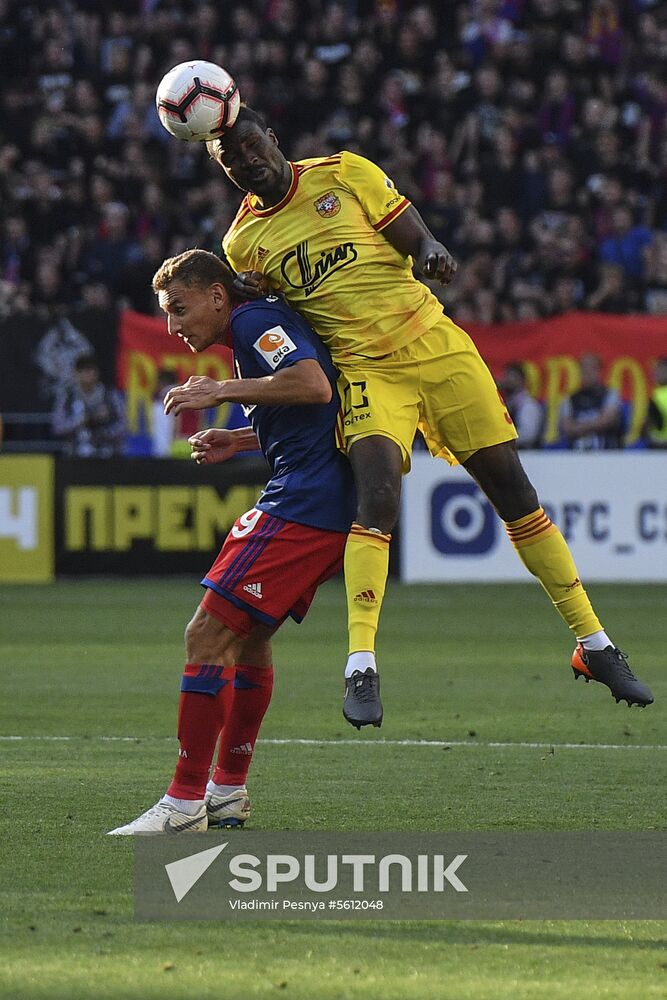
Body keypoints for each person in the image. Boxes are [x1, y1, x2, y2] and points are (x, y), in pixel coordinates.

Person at [199, 105, 652, 712]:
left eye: (253, 145)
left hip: (435, 345)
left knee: (514, 493)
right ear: (225, 171)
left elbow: (415, 233)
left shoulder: (343, 173)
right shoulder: (243, 244)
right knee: (377, 496)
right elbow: (289, 333)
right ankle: (361, 663)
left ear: (272, 139)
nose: (248, 161)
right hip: (367, 372)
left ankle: (593, 645)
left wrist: (432, 252)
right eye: (233, 160)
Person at [107, 248, 357, 834]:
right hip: (322, 495)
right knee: (248, 641)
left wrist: (220, 391)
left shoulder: (251, 323)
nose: (172, 325)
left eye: (179, 309)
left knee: (205, 633)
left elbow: (312, 384)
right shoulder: (257, 322)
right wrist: (240, 441)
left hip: (306, 501)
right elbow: (315, 416)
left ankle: (183, 802)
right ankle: (226, 791)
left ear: (217, 296)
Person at [52, 354, 126, 458]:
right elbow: (58, 427)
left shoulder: (110, 395)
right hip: (75, 455)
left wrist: (106, 431)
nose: (88, 374)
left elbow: (124, 425)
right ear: (76, 373)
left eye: (91, 370)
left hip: (107, 455)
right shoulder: (67, 397)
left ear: (97, 373)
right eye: (84, 370)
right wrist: (80, 420)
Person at [559, 353, 624, 451]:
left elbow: (606, 421)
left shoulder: (610, 394)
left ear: (599, 371)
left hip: (607, 455)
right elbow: (567, 428)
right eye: (583, 369)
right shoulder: (569, 399)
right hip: (575, 456)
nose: (587, 373)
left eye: (591, 369)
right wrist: (594, 424)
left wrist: (578, 427)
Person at [500, 363, 544, 449]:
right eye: (507, 376)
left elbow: (528, 434)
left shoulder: (528, 405)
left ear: (522, 380)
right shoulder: (507, 403)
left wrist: (502, 440)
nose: (508, 380)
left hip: (526, 453)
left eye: (513, 377)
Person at [643, 357, 667, 448]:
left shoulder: (659, 396)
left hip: (660, 444)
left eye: (660, 369)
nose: (655, 373)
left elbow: (649, 422)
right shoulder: (656, 393)